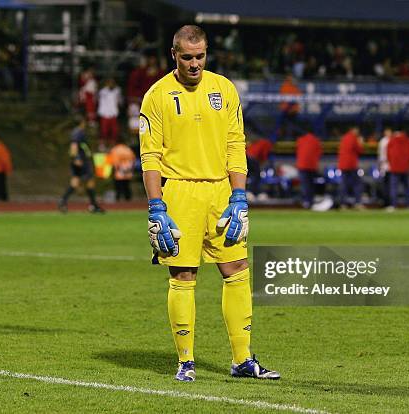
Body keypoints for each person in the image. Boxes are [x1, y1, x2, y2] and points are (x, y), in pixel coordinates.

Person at [139, 25, 279, 382]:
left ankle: (243, 360)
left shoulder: (224, 89)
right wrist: (156, 207)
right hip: (180, 194)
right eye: (187, 57)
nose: (194, 64)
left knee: (237, 271)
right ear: (174, 55)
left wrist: (240, 196)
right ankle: (186, 361)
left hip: (220, 193)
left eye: (200, 56)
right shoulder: (156, 96)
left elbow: (236, 145)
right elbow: (150, 156)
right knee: (184, 276)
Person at [58, 118, 105, 213]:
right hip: (81, 161)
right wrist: (76, 158)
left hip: (79, 160)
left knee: (75, 181)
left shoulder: (76, 131)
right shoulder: (78, 132)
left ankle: (63, 201)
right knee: (90, 181)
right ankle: (93, 205)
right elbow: (74, 145)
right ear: (82, 122)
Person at [387, 130, 409, 210]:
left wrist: (392, 163)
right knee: (408, 187)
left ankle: (393, 205)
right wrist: (408, 162)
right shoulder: (408, 141)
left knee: (394, 188)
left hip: (395, 168)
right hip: (406, 168)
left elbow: (388, 154)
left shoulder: (392, 141)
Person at [337, 127, 364, 209]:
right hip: (351, 164)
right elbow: (360, 150)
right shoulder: (354, 138)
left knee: (343, 184)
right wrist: (360, 143)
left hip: (343, 164)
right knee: (357, 184)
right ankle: (358, 203)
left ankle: (342, 204)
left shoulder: (344, 137)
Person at [295, 129, 322, 208]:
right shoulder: (316, 140)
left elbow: (298, 152)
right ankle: (310, 201)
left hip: (302, 165)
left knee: (304, 184)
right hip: (312, 166)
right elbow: (319, 153)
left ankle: (306, 201)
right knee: (311, 185)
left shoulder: (300, 140)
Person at [98, 78, 122, 146]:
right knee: (104, 131)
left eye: (112, 83)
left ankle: (113, 145)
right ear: (107, 84)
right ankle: (102, 144)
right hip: (105, 114)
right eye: (109, 83)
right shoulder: (103, 91)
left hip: (113, 113)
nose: (111, 84)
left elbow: (120, 101)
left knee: (114, 131)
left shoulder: (117, 91)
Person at [378, 127, 393, 207]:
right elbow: (381, 155)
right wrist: (380, 166)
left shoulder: (393, 140)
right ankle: (386, 202)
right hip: (385, 166)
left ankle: (391, 203)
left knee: (391, 186)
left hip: (393, 167)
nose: (388, 133)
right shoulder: (383, 141)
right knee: (385, 186)